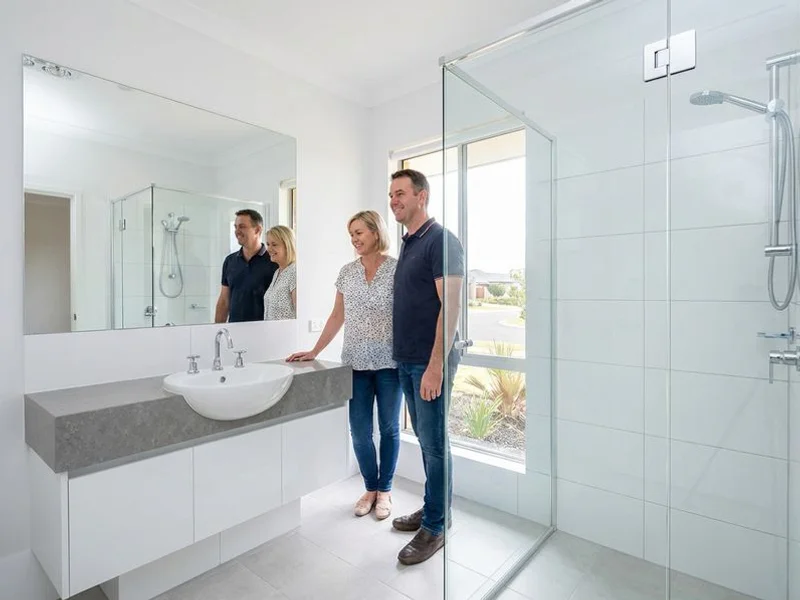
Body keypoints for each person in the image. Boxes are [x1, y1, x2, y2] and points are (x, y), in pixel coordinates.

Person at [287, 211, 401, 520]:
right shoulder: (347, 272)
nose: (354, 239)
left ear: (376, 233)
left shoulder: (396, 269)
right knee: (360, 432)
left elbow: (407, 315)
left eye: (359, 232)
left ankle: (385, 491)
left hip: (390, 363)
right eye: (351, 234)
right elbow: (338, 315)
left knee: (390, 429)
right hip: (354, 364)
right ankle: (371, 487)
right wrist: (315, 349)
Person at [388, 169, 464, 566]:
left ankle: (435, 527)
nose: (394, 200)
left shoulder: (441, 240)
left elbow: (449, 309)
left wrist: (435, 367)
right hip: (408, 360)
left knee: (435, 446)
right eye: (391, 194)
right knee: (427, 442)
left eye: (400, 193)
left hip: (428, 363)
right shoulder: (409, 243)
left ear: (423, 196)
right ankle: (434, 510)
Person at [215, 209, 277, 323]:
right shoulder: (230, 261)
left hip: (264, 331)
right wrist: (217, 329)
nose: (237, 231)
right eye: (236, 227)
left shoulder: (274, 260)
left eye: (242, 226)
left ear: (257, 230)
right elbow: (224, 300)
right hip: (234, 331)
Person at [264, 225, 297, 320]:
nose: (269, 249)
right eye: (268, 244)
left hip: (286, 334)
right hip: (271, 333)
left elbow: (301, 314)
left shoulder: (294, 272)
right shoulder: (277, 272)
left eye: (274, 244)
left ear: (287, 246)